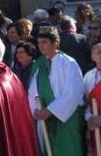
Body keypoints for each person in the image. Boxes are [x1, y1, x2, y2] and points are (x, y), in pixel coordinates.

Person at [28, 27, 85, 155]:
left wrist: (51, 110)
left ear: (55, 43)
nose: (40, 46)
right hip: (45, 118)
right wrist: (35, 110)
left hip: (66, 118)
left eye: (44, 42)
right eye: (39, 43)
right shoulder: (39, 65)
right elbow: (32, 92)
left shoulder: (68, 63)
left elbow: (73, 93)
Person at [84, 43, 101, 155]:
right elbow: (84, 102)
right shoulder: (88, 76)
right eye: (99, 52)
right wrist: (89, 118)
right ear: (92, 56)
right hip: (95, 127)